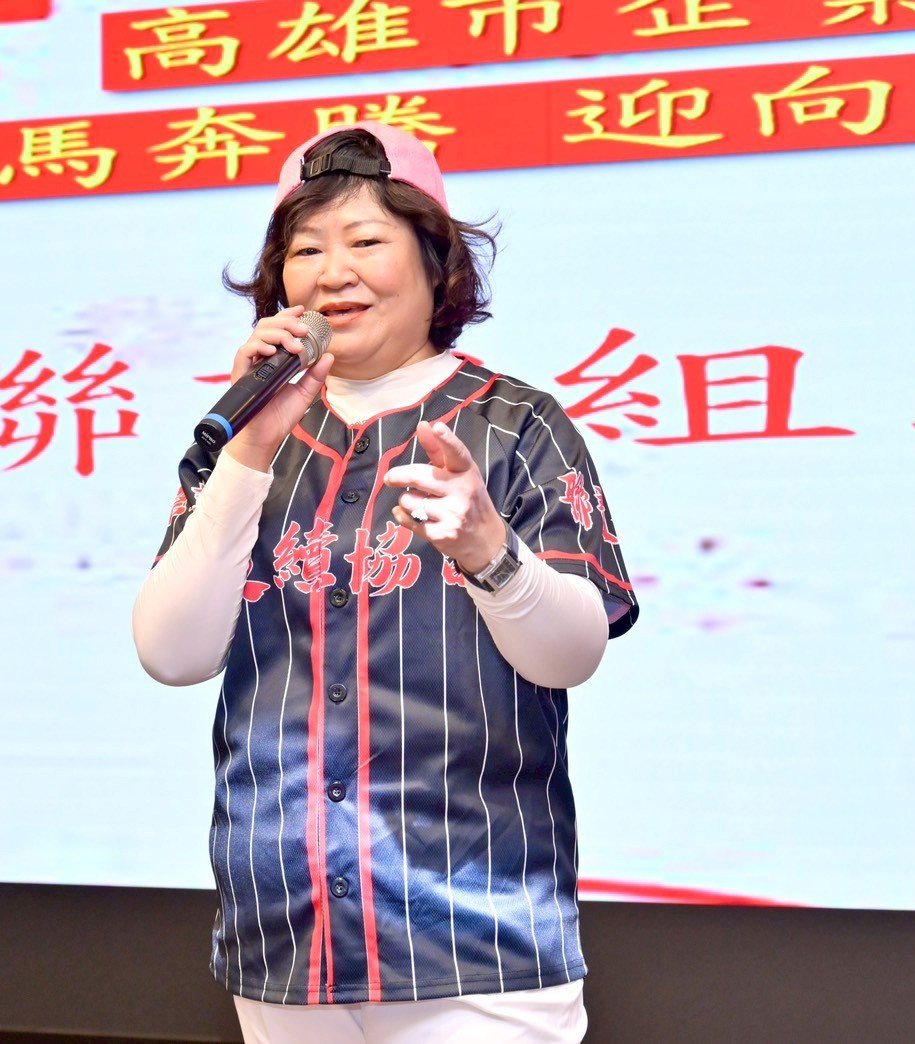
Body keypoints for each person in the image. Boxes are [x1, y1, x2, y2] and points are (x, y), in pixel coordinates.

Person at [133, 122, 637, 1043]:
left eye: (366, 241)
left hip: (476, 934)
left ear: (436, 265)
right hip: (282, 933)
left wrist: (487, 548)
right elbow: (172, 654)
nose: (333, 274)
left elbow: (571, 655)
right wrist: (249, 453)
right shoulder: (244, 437)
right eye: (305, 250)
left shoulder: (514, 422)